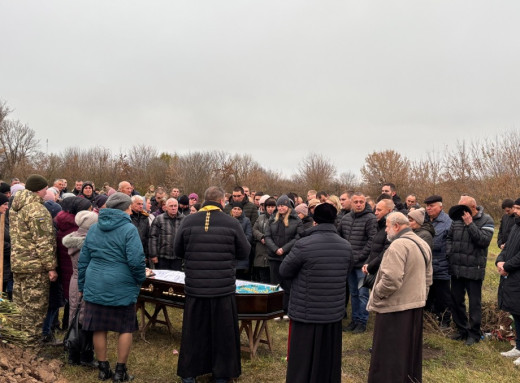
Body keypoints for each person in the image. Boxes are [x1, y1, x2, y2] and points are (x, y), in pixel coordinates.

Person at [174, 186, 251, 383]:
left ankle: (190, 374)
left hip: (197, 286)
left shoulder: (188, 221)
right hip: (221, 287)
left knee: (194, 331)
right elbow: (244, 251)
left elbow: (178, 250)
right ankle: (221, 375)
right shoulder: (231, 223)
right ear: (222, 201)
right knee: (222, 332)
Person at [280, 203, 352, 383]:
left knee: (303, 359)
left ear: (314, 221)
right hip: (332, 313)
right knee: (327, 358)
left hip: (306, 313)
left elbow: (284, 271)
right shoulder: (346, 246)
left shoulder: (303, 244)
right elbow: (347, 270)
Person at [78, 192, 147, 381]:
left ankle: (103, 369)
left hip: (95, 283)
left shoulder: (93, 228)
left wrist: (82, 284)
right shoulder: (129, 229)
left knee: (99, 327)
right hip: (121, 285)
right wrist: (140, 279)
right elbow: (136, 261)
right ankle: (119, 372)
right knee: (125, 328)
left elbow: (84, 260)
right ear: (126, 208)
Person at [367, 212, 432, 383]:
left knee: (389, 354)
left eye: (387, 226)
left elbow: (391, 279)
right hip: (415, 306)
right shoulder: (422, 243)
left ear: (396, 226)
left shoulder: (397, 245)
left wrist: (377, 295)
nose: (386, 230)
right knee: (408, 353)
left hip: (394, 308)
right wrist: (419, 298)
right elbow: (428, 278)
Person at [10, 174, 58, 349]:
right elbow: (43, 242)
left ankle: (16, 344)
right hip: (35, 267)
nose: (47, 191)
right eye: (45, 188)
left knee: (20, 306)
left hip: (19, 264)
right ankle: (30, 349)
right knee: (34, 309)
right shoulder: (37, 210)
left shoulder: (15, 207)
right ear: (39, 189)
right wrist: (51, 267)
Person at [447, 195, 494, 345]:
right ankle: (462, 330)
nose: (461, 211)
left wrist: (470, 224)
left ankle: (474, 334)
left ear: (473, 208)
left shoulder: (487, 220)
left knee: (474, 303)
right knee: (456, 300)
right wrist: (450, 253)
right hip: (457, 268)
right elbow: (449, 237)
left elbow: (483, 241)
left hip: (474, 269)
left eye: (464, 208)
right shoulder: (456, 221)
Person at [62, 211, 99, 367]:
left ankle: (73, 354)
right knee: (84, 317)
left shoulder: (74, 237)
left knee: (75, 315)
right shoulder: (88, 242)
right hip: (85, 281)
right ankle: (85, 356)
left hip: (74, 280)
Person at [337, 192, 377, 333]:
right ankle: (354, 320)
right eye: (356, 202)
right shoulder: (346, 218)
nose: (359, 204)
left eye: (361, 202)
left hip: (362, 265)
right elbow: (339, 235)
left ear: (365, 203)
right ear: (351, 203)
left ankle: (362, 321)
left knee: (362, 294)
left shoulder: (370, 219)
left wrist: (359, 256)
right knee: (353, 293)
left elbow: (372, 241)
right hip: (349, 263)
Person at [265, 195, 304, 315]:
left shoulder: (296, 220)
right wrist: (275, 249)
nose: (281, 208)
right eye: (279, 205)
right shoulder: (272, 219)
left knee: (288, 284)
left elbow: (298, 237)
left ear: (288, 206)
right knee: (275, 284)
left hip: (288, 256)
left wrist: (284, 249)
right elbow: (267, 236)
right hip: (274, 256)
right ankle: (276, 309)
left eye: (283, 205)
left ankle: (287, 309)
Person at [496, 198, 520, 366]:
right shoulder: (515, 226)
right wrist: (499, 261)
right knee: (516, 312)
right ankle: (518, 347)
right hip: (512, 277)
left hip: (515, 274)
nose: (515, 211)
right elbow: (506, 248)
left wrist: (508, 266)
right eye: (516, 208)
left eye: (518, 208)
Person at [424, 194, 453, 327]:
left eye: (432, 206)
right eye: (427, 206)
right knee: (428, 294)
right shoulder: (424, 220)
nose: (428, 208)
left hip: (441, 266)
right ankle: (429, 318)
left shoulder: (448, 222)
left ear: (440, 207)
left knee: (443, 296)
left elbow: (447, 245)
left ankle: (444, 321)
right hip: (426, 266)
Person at [149, 198, 184, 270]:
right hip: (162, 257)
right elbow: (153, 237)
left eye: (175, 206)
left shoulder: (184, 219)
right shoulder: (159, 219)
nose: (173, 208)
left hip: (177, 258)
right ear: (166, 207)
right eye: (171, 206)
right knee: (162, 280)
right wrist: (153, 255)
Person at [252, 197, 276, 284]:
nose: (270, 209)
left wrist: (268, 239)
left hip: (273, 253)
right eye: (268, 207)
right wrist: (261, 237)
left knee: (273, 281)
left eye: (272, 207)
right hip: (261, 254)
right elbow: (254, 230)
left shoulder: (279, 218)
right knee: (263, 281)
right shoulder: (261, 218)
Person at [229, 201, 252, 279]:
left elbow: (249, 236)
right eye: (235, 209)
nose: (236, 211)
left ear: (242, 211)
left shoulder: (246, 221)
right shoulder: (228, 220)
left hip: (241, 255)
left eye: (239, 209)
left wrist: (238, 242)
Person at [0, 192, 13, 300]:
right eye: (4, 204)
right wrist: (14, 248)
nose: (7, 207)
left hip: (5, 266)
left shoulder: (4, 218)